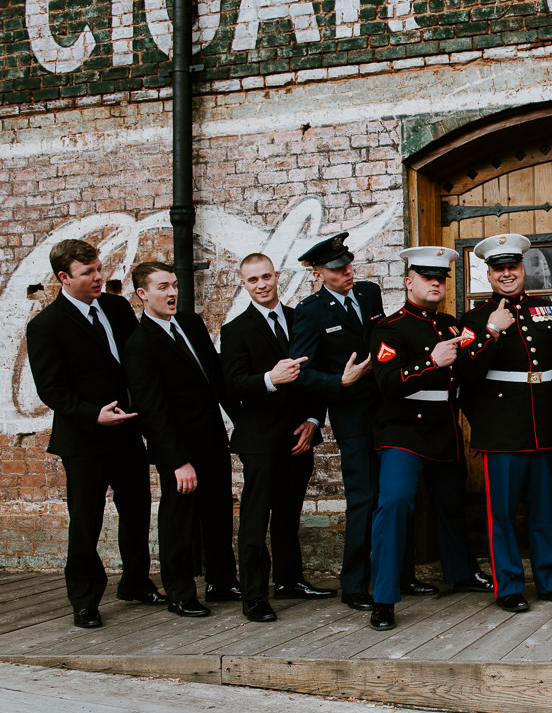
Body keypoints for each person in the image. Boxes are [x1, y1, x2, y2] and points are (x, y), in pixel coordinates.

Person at [25, 239, 163, 629]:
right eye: (88, 272)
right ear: (64, 278)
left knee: (136, 510)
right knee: (87, 520)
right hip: (84, 439)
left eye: (99, 268)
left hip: (127, 431)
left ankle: (136, 582)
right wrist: (92, 414)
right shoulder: (46, 326)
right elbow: (51, 389)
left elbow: (137, 362)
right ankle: (84, 600)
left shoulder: (118, 308)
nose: (99, 277)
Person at [290, 232, 419, 611]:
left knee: (397, 494)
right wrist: (338, 381)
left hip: (389, 409)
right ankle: (355, 584)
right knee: (364, 499)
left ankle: (399, 574)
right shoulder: (310, 312)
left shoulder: (368, 292)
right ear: (318, 274)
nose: (347, 271)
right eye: (336, 268)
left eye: (347, 264)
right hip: (351, 416)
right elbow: (299, 371)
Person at [367, 247, 493, 630]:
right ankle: (384, 598)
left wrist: (492, 333)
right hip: (403, 430)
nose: (436, 282)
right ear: (409, 282)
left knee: (451, 504)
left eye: (441, 277)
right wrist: (429, 362)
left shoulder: (452, 325)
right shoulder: (389, 327)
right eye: (427, 276)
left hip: (444, 427)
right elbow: (387, 382)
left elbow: (471, 375)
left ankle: (461, 572)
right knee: (395, 503)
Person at [459, 234, 552, 612]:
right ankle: (508, 585)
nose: (507, 274)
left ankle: (550, 580)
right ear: (489, 275)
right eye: (498, 269)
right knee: (502, 514)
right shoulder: (474, 320)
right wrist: (492, 330)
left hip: (543, 424)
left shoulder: (549, 311)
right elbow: (466, 376)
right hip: (501, 430)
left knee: (544, 510)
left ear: (522, 269)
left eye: (513, 266)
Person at [220, 253, 336, 624]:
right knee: (256, 519)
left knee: (288, 514)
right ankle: (254, 595)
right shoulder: (235, 330)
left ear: (277, 276)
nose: (261, 284)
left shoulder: (301, 319)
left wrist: (314, 420)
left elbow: (317, 373)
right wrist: (270, 379)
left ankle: (290, 581)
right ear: (244, 284)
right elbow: (233, 385)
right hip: (260, 440)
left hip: (299, 434)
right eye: (252, 280)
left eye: (266, 277)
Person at [123, 261, 240, 618]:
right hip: (179, 449)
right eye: (162, 287)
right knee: (179, 519)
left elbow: (215, 380)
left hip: (212, 439)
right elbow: (152, 410)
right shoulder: (139, 344)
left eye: (174, 285)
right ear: (143, 294)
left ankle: (221, 582)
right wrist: (177, 461)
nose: (172, 292)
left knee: (219, 512)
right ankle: (179, 592)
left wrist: (242, 424)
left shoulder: (190, 323)